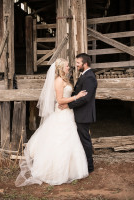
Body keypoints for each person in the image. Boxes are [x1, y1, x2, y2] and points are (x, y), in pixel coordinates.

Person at [15, 58, 89, 187]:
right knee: (60, 140)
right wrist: (77, 97)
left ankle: (71, 170)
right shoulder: (58, 81)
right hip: (61, 114)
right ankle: (56, 171)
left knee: (70, 139)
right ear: (61, 68)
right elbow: (60, 100)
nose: (69, 68)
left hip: (67, 113)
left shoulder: (65, 79)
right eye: (67, 66)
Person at [60, 53, 97, 173]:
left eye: (78, 63)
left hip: (84, 114)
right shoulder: (84, 75)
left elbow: (85, 98)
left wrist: (68, 105)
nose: (76, 65)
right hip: (79, 113)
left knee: (85, 139)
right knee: (80, 139)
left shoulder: (90, 77)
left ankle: (89, 166)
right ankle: (80, 164)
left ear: (85, 64)